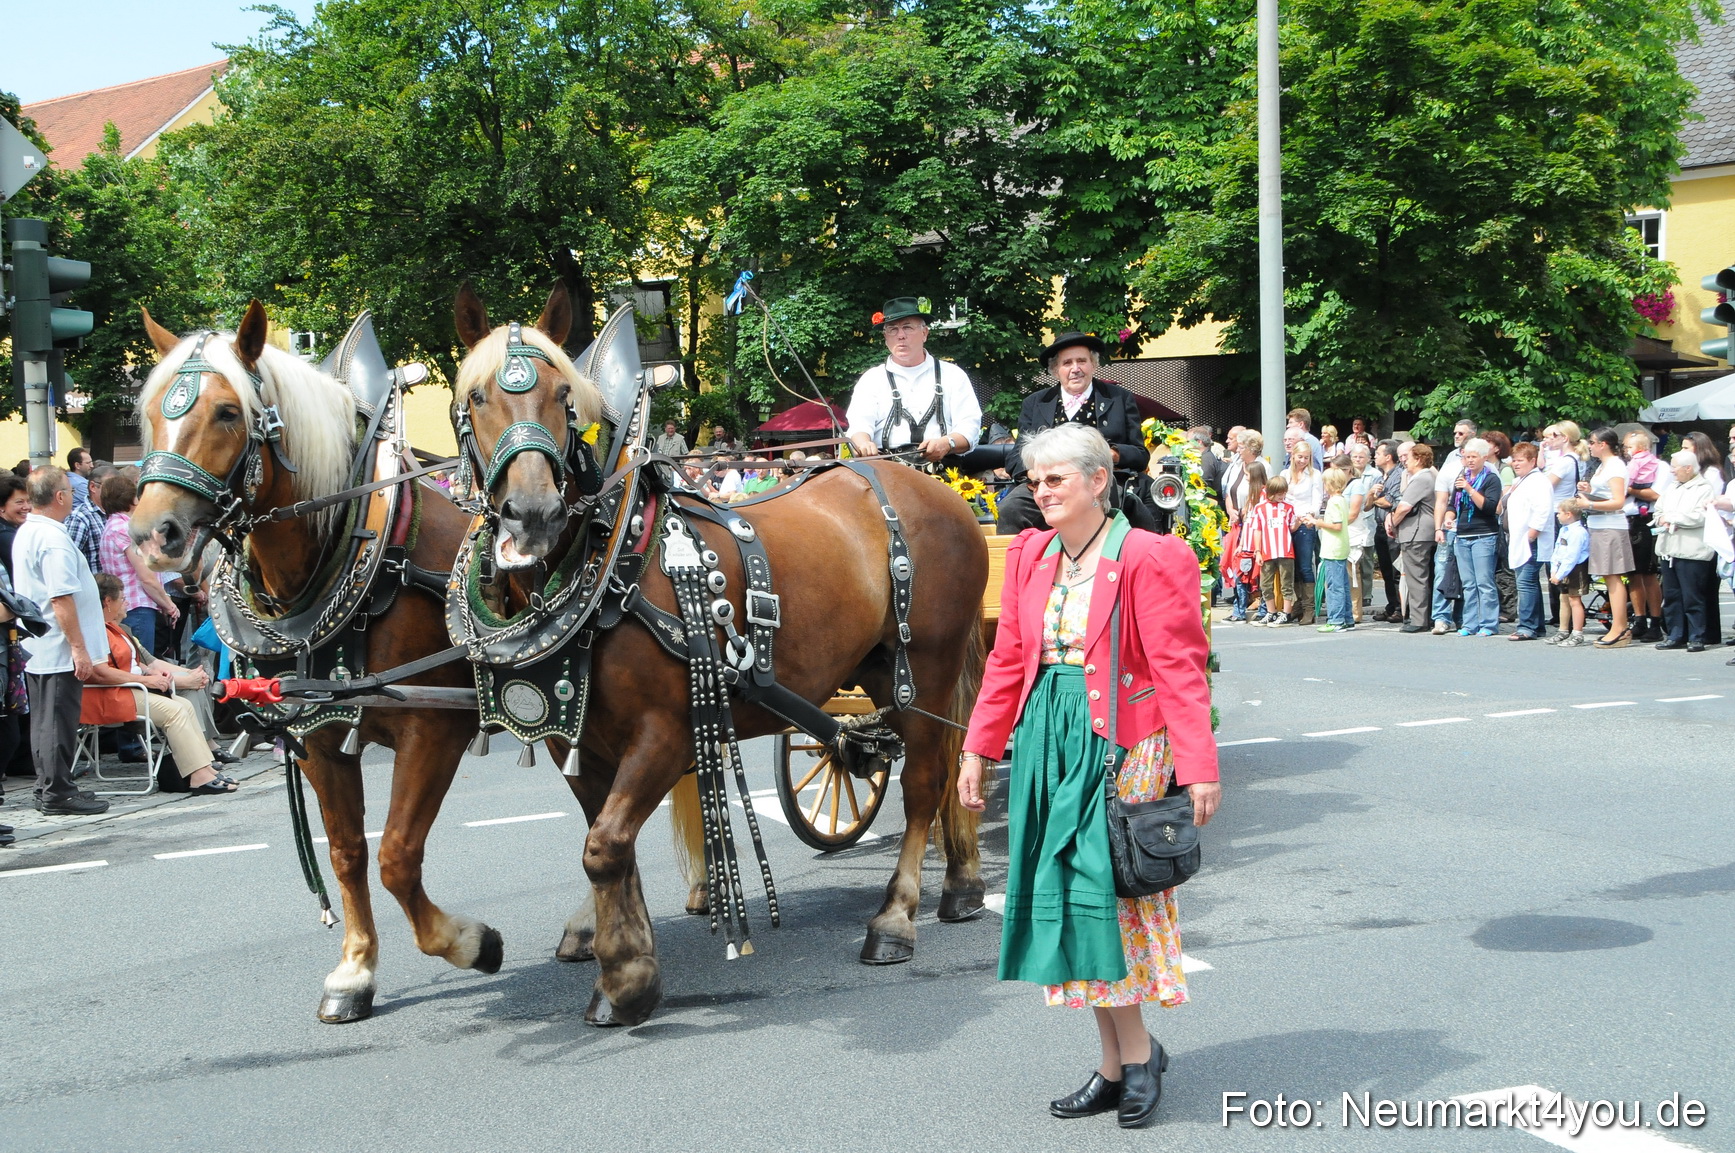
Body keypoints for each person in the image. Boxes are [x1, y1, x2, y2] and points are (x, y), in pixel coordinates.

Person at [958, 423, 1219, 1130]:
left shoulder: (1148, 555)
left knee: (1109, 896)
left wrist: (1195, 766)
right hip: (1048, 732)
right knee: (1073, 899)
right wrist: (977, 748)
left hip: (1125, 738)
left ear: (1097, 480)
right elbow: (1009, 657)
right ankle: (1117, 1061)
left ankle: (1134, 1058)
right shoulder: (1029, 554)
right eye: (1033, 480)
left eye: (1054, 480)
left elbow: (1179, 668)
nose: (1038, 492)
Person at [83, 574, 237, 793]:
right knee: (175, 710)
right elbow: (100, 673)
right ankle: (198, 776)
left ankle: (204, 769)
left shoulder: (114, 629)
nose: (127, 601)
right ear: (108, 602)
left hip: (128, 690)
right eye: (122, 598)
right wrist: (146, 679)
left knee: (183, 705)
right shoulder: (95, 630)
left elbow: (142, 664)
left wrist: (158, 675)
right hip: (110, 696)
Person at [13, 468, 109, 815]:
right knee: (56, 721)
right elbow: (60, 598)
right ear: (59, 497)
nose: (72, 495)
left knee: (44, 720)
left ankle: (49, 786)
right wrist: (79, 648)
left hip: (43, 643)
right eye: (69, 490)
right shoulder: (52, 538)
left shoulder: (30, 531)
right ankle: (58, 791)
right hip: (57, 644)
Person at [996, 332, 1148, 533]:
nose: (1075, 369)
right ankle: (1019, 562)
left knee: (1119, 504)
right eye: (1067, 363)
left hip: (1099, 484)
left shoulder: (1120, 398)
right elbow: (1015, 458)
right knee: (1010, 508)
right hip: (1048, 484)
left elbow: (1140, 454)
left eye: (1082, 361)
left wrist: (1110, 454)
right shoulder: (1035, 403)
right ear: (1056, 370)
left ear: (1093, 365)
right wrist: (1038, 476)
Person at [845, 296, 980, 464]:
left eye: (907, 327)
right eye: (893, 329)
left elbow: (970, 428)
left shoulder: (953, 375)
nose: (900, 335)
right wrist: (863, 443)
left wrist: (947, 443)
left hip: (944, 474)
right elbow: (859, 425)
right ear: (885, 337)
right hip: (886, 473)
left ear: (925, 333)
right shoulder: (871, 380)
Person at [98, 475, 179, 657]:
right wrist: (169, 605)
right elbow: (146, 576)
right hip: (138, 607)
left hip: (124, 605)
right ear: (132, 499)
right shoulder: (127, 529)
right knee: (142, 663)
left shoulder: (111, 526)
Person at [1651, 450, 1719, 652]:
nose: (1672, 471)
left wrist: (1674, 518)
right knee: (1672, 596)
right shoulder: (1671, 487)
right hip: (1669, 549)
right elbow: (1658, 510)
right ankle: (1675, 634)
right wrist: (1662, 518)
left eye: (1675, 467)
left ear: (1688, 468)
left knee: (1693, 596)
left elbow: (1700, 516)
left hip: (1692, 551)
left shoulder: (1704, 488)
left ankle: (1696, 636)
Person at [1577, 427, 1634, 647]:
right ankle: (1619, 625)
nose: (1589, 446)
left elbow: (1618, 500)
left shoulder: (1616, 466)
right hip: (1599, 523)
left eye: (1592, 442)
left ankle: (1620, 626)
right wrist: (1590, 489)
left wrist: (1589, 503)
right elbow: (1607, 495)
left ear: (1603, 444)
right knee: (1607, 576)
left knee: (1613, 576)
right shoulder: (1603, 466)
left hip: (1611, 525)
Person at [1450, 438, 1503, 636]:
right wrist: (1449, 517)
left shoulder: (1491, 479)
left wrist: (1470, 490)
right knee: (1468, 584)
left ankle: (1488, 624)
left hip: (1484, 535)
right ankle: (1469, 624)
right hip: (1462, 535)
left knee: (1484, 582)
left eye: (1473, 457)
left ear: (1484, 457)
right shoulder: (1461, 476)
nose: (1469, 461)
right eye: (1466, 457)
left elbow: (1489, 507)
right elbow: (1451, 505)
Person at [1622, 429, 1669, 642]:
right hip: (1628, 519)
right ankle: (1639, 618)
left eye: (1628, 446)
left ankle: (1655, 622)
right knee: (1633, 573)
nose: (1625, 451)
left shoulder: (1660, 467)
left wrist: (1630, 488)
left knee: (1649, 573)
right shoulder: (1628, 467)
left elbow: (1656, 494)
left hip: (1647, 518)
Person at [1504, 442, 1554, 641]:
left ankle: (1527, 626)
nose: (1516, 464)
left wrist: (1531, 534)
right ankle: (1537, 625)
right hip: (1519, 538)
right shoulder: (1521, 480)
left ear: (1533, 461)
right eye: (1514, 460)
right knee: (1529, 582)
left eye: (1520, 460)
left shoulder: (1539, 481)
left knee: (1525, 583)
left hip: (1531, 539)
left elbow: (1542, 510)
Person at [1430, 419, 1476, 632]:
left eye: (1461, 433)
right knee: (1442, 571)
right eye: (1455, 433)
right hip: (1449, 527)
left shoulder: (1485, 464)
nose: (1456, 436)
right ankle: (1441, 617)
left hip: (1473, 528)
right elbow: (1441, 500)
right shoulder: (1450, 464)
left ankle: (1464, 617)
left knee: (1468, 575)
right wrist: (1438, 527)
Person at [1388, 443, 1437, 633]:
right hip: (1424, 532)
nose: (1405, 462)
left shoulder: (1421, 478)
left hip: (1416, 532)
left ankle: (1418, 619)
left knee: (1416, 577)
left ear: (1418, 459)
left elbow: (1404, 506)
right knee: (1424, 576)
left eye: (1408, 458)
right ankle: (1425, 616)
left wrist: (1393, 523)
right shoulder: (1430, 476)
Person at [1282, 433, 1324, 624]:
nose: (1303, 461)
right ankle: (1297, 604)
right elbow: (1281, 498)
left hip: (1305, 523)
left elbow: (1317, 499)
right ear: (1293, 456)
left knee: (1306, 565)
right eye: (1300, 457)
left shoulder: (1315, 475)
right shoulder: (1285, 474)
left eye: (1306, 457)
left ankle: (1309, 608)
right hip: (1287, 523)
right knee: (1292, 565)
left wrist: (1310, 516)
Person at [1246, 475, 1297, 626]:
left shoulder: (1288, 508)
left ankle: (1286, 613)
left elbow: (1292, 527)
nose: (1282, 497)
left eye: (1284, 493)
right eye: (1279, 494)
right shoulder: (1260, 508)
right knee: (1266, 584)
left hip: (1285, 551)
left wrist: (1299, 522)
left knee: (1286, 583)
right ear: (1270, 492)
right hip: (1267, 551)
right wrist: (1257, 551)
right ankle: (1271, 612)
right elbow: (1257, 530)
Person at [1308, 468, 1354, 632]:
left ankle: (1336, 620)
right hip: (1340, 546)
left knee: (1334, 587)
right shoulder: (1341, 500)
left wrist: (1316, 522)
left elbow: (1336, 525)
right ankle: (1347, 618)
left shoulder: (1334, 502)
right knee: (1342, 584)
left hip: (1333, 548)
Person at [1369, 440, 1405, 620]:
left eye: (1378, 454)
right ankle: (1391, 605)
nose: (1375, 456)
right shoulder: (1378, 477)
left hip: (1394, 528)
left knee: (1396, 570)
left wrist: (1375, 498)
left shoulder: (1399, 475)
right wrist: (1372, 496)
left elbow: (1391, 501)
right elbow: (1367, 505)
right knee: (1385, 570)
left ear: (1388, 457)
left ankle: (1401, 607)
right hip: (1379, 527)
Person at [1548, 500, 1591, 647]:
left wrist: (1559, 575)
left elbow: (1572, 556)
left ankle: (1577, 633)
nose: (1557, 515)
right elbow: (1558, 550)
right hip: (1563, 567)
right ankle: (1563, 630)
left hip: (1576, 568)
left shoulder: (1578, 532)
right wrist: (1554, 570)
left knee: (1575, 600)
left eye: (1559, 512)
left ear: (1568, 514)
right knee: (1563, 598)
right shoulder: (1564, 530)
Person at [1343, 444, 1377, 621]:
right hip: (1345, 531)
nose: (1357, 460)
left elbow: (1358, 509)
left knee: (1360, 567)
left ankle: (1361, 604)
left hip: (1360, 527)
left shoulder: (1368, 478)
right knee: (1348, 570)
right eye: (1354, 457)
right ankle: (1348, 606)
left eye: (1361, 457)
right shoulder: (1342, 482)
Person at [1221, 431, 1265, 527]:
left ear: (1251, 449)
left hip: (1254, 523)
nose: (1237, 450)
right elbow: (1228, 491)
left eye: (1241, 448)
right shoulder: (1237, 464)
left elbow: (1265, 496)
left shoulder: (1263, 466)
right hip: (1235, 521)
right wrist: (1230, 511)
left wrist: (1245, 512)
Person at [0, 474, 29, 577]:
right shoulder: (5, 536)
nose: (27, 507)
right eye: (20, 502)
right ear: (1, 506)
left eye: (29, 501)